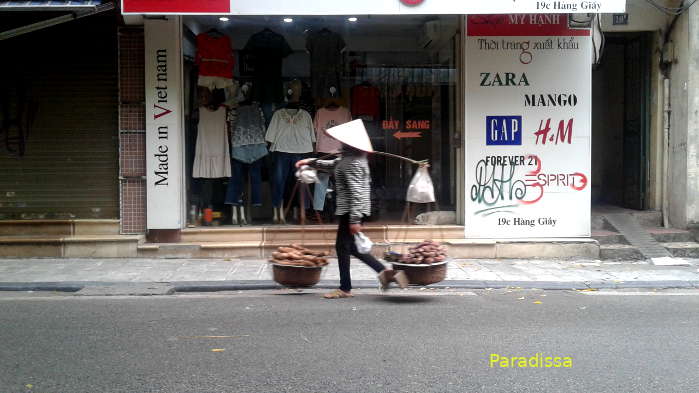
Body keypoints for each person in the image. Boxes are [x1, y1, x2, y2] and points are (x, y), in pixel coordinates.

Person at [295, 119, 408, 299]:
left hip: (351, 210)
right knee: (351, 248)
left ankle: (345, 288)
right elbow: (332, 165)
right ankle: (386, 273)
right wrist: (310, 162)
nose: (340, 143)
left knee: (342, 247)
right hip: (350, 210)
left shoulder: (353, 163)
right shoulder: (350, 159)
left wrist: (355, 220)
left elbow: (356, 192)